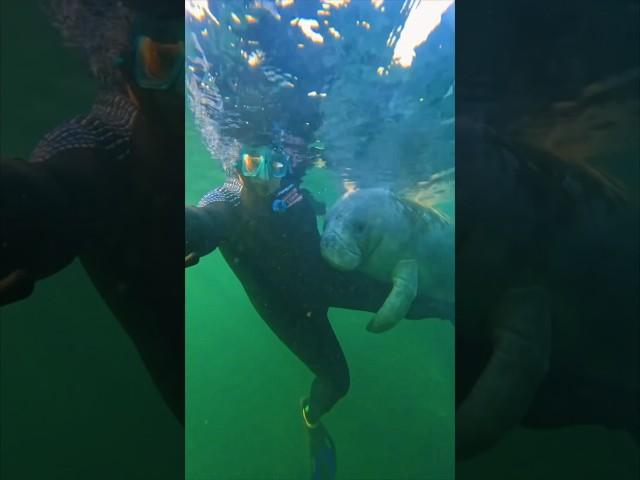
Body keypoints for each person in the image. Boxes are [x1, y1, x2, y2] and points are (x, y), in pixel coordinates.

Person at [184, 137, 447, 458]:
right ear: (238, 164)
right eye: (253, 164)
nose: (265, 176)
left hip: (327, 277)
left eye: (276, 165)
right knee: (337, 382)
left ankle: (460, 311)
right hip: (285, 306)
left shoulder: (291, 178)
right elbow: (206, 219)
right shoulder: (227, 199)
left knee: (419, 304)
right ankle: (311, 415)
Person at [0, 1, 185, 422]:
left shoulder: (253, 152)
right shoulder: (100, 144)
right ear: (125, 69)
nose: (182, 93)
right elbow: (49, 189)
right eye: (164, 61)